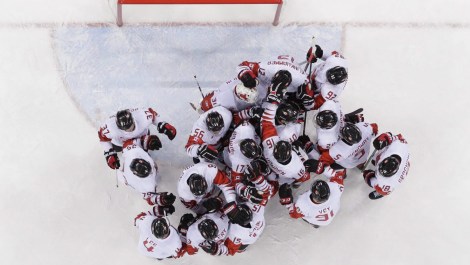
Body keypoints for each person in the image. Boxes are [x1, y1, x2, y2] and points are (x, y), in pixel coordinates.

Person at [98, 107, 176, 169]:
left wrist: (162, 124)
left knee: (143, 152)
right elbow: (103, 138)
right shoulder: (110, 128)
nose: (128, 130)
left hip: (142, 138)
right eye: (125, 128)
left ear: (133, 120)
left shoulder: (142, 116)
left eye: (130, 127)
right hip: (120, 143)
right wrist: (109, 153)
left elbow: (153, 115)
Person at [260, 90, 310, 186]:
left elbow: (266, 123)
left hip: (274, 167)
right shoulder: (294, 128)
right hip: (285, 172)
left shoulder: (278, 135)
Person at [236, 55, 315, 110]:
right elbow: (243, 65)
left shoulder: (302, 80)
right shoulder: (266, 69)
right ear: (273, 77)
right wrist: (246, 76)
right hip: (277, 65)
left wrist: (306, 100)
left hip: (293, 71)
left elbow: (310, 104)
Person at [117, 136, 175, 206]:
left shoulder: (134, 152)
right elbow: (150, 199)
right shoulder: (146, 185)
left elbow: (127, 144)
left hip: (126, 163)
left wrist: (148, 141)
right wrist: (162, 200)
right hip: (124, 177)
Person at [308, 122, 378, 175]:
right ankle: (360, 164)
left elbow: (322, 161)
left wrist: (308, 146)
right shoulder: (365, 128)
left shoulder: (339, 149)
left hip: (348, 164)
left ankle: (341, 172)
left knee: (322, 152)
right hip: (363, 157)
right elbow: (375, 127)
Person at [278, 173, 345, 228]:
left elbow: (294, 215)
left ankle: (314, 224)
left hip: (315, 219)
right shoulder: (336, 189)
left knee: (306, 217)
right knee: (311, 217)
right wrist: (323, 168)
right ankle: (316, 225)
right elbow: (339, 177)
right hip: (331, 214)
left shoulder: (302, 204)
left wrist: (287, 201)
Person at [200, 202, 265, 256]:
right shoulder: (258, 208)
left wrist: (216, 250)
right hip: (258, 229)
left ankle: (241, 250)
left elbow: (230, 250)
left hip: (247, 240)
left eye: (234, 215)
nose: (232, 213)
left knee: (239, 248)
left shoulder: (236, 233)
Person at [363, 132, 410, 199]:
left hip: (386, 185)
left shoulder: (389, 183)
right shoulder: (399, 146)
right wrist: (386, 138)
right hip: (399, 157)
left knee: (369, 178)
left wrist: (368, 176)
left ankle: (379, 193)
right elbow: (398, 137)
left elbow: (386, 191)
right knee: (375, 160)